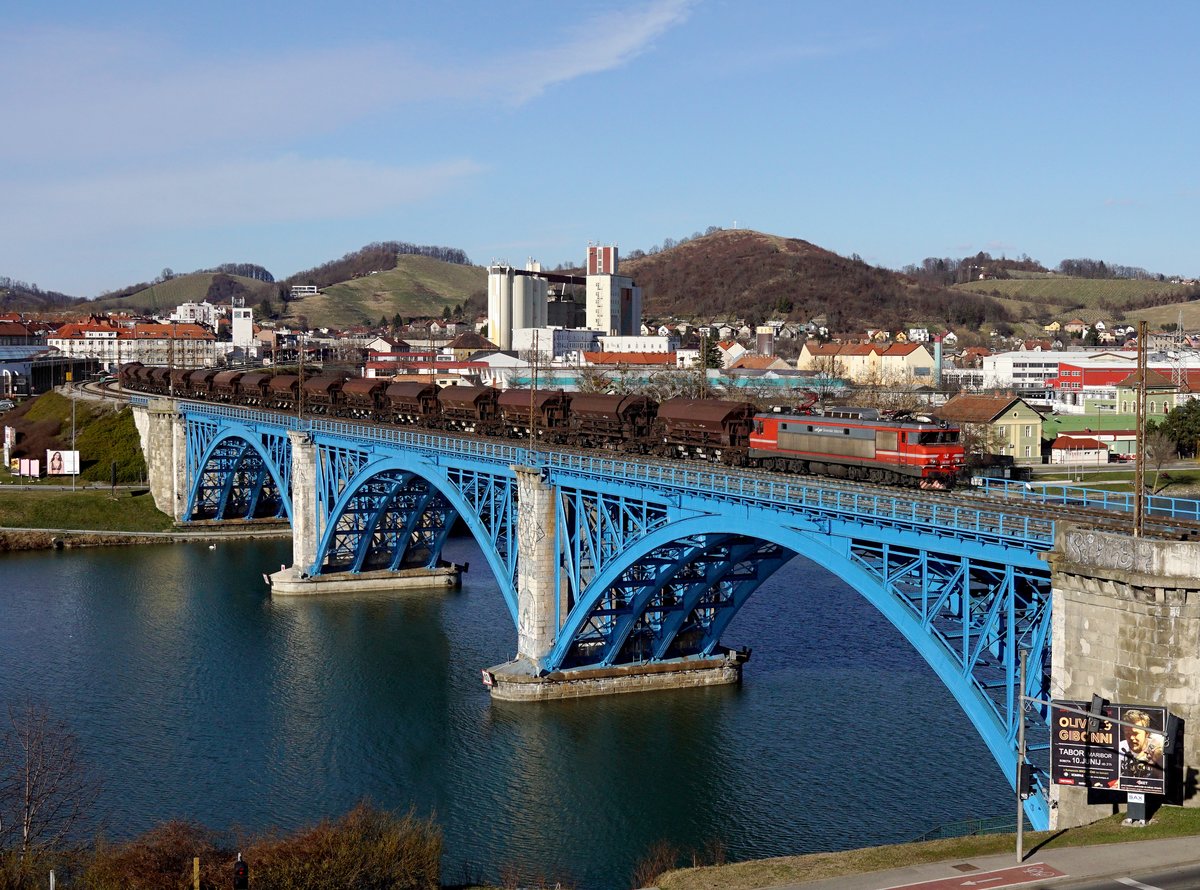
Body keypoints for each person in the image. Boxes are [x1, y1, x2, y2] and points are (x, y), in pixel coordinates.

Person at [1119, 709, 1164, 776]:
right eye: (1127, 733)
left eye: (1135, 733)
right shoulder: (1119, 748)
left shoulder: (1159, 744)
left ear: (1147, 733)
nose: (1131, 738)